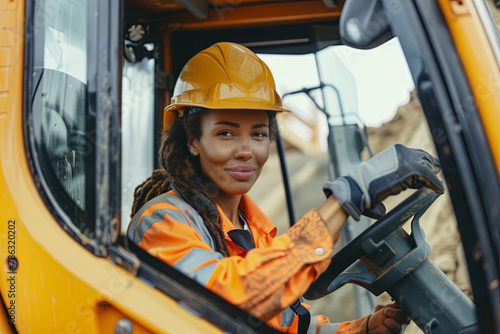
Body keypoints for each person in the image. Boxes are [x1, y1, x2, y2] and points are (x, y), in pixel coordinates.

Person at [127, 42, 444, 334]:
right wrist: (348, 196)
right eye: (226, 133)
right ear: (192, 141)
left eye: (259, 134)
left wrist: (361, 329)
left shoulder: (255, 232)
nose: (246, 150)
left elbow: (288, 325)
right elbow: (228, 302)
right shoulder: (162, 222)